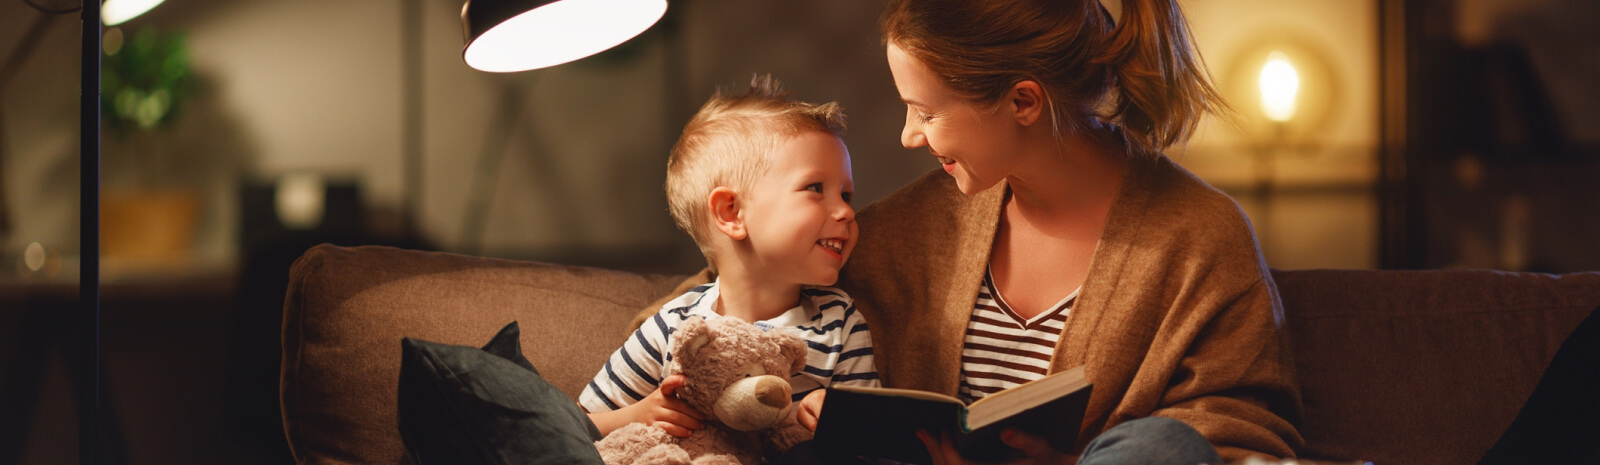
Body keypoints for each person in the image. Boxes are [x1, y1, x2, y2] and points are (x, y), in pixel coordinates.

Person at [650, 1, 1304, 464]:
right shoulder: (910, 229)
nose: (909, 136)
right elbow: (742, 286)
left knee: (1163, 448)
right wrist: (677, 371)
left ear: (1022, 102)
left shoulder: (1198, 235)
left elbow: (1241, 431)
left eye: (925, 111)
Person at [580, 75, 880, 439]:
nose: (846, 212)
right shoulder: (673, 327)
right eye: (816, 188)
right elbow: (572, 425)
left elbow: (876, 437)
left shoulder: (840, 323)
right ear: (731, 213)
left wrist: (835, 417)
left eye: (846, 195)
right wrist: (637, 415)